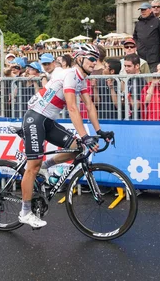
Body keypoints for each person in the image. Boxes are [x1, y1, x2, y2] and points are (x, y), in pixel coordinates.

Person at [19, 44, 113, 228]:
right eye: (91, 59)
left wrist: (99, 131)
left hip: (47, 120)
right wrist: (85, 135)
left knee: (76, 149)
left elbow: (90, 105)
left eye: (97, 60)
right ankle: (25, 212)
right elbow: (72, 107)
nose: (95, 63)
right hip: (35, 117)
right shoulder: (71, 75)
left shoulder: (82, 79)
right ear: (79, 58)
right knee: (33, 166)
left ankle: (46, 167)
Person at [133, 2, 160, 72]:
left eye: (144, 10)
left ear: (150, 10)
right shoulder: (138, 24)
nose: (143, 12)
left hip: (154, 57)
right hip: (141, 56)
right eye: (141, 10)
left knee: (154, 77)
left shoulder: (157, 21)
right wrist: (138, 46)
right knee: (143, 80)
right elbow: (135, 37)